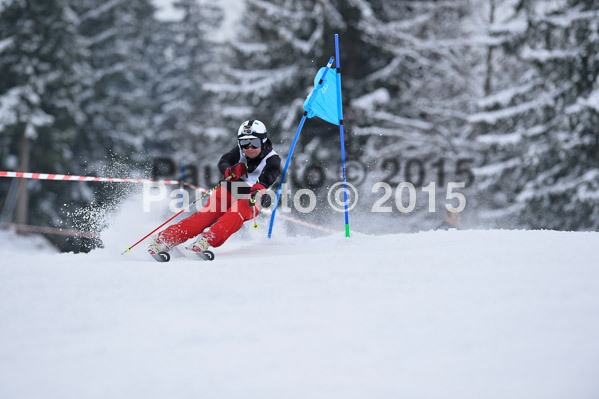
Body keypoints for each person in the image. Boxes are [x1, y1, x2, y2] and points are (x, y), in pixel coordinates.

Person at [147, 120, 281, 256]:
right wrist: (230, 171)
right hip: (229, 190)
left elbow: (268, 178)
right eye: (244, 142)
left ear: (263, 141)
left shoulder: (272, 158)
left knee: (236, 213)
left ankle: (207, 239)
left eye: (255, 143)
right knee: (204, 217)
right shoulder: (239, 151)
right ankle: (163, 239)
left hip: (252, 197)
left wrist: (258, 189)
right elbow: (223, 162)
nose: (249, 148)